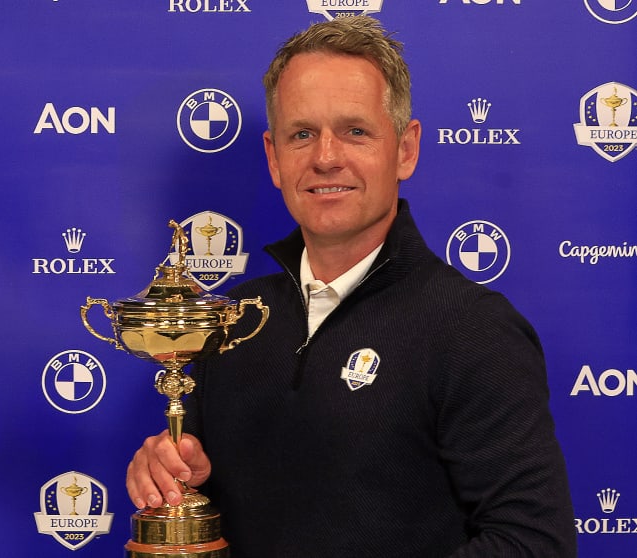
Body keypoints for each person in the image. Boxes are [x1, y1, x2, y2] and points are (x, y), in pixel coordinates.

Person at [126, 15, 576, 557]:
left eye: (355, 131)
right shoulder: (234, 318)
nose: (325, 158)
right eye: (302, 134)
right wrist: (178, 477)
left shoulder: (473, 329)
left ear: (405, 149)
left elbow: (533, 544)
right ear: (273, 157)